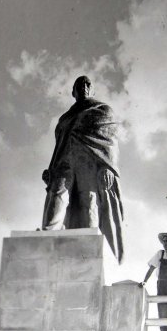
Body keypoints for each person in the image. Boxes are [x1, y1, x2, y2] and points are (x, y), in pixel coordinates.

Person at [41, 75, 124, 263]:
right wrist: (51, 169)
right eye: (80, 84)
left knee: (89, 202)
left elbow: (109, 143)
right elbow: (59, 146)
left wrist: (107, 167)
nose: (85, 86)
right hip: (64, 162)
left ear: (92, 90)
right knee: (57, 193)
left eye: (88, 84)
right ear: (73, 92)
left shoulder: (103, 110)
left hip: (90, 163)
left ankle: (87, 245)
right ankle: (47, 236)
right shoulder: (64, 118)